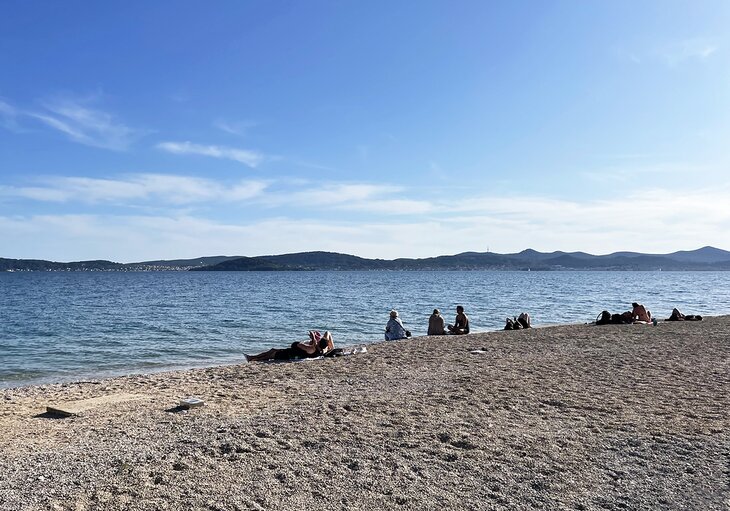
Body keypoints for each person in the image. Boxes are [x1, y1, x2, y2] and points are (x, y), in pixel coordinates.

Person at [245, 330, 334, 362]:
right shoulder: (324, 350)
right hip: (291, 353)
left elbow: (298, 345)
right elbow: (328, 333)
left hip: (288, 355)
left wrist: (313, 338)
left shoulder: (311, 348)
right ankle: (253, 358)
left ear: (319, 343)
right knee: (273, 350)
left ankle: (253, 359)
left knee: (271, 353)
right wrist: (314, 340)